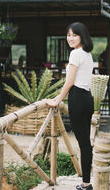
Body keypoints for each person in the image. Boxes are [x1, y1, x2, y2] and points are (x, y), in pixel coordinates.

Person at [46, 22, 94, 190]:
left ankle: (86, 184)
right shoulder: (87, 54)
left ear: (82, 36)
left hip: (78, 98)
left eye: (75, 35)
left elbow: (69, 82)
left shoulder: (75, 54)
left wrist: (56, 100)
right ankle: (87, 182)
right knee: (86, 142)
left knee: (83, 143)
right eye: (68, 35)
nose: (70, 38)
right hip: (87, 98)